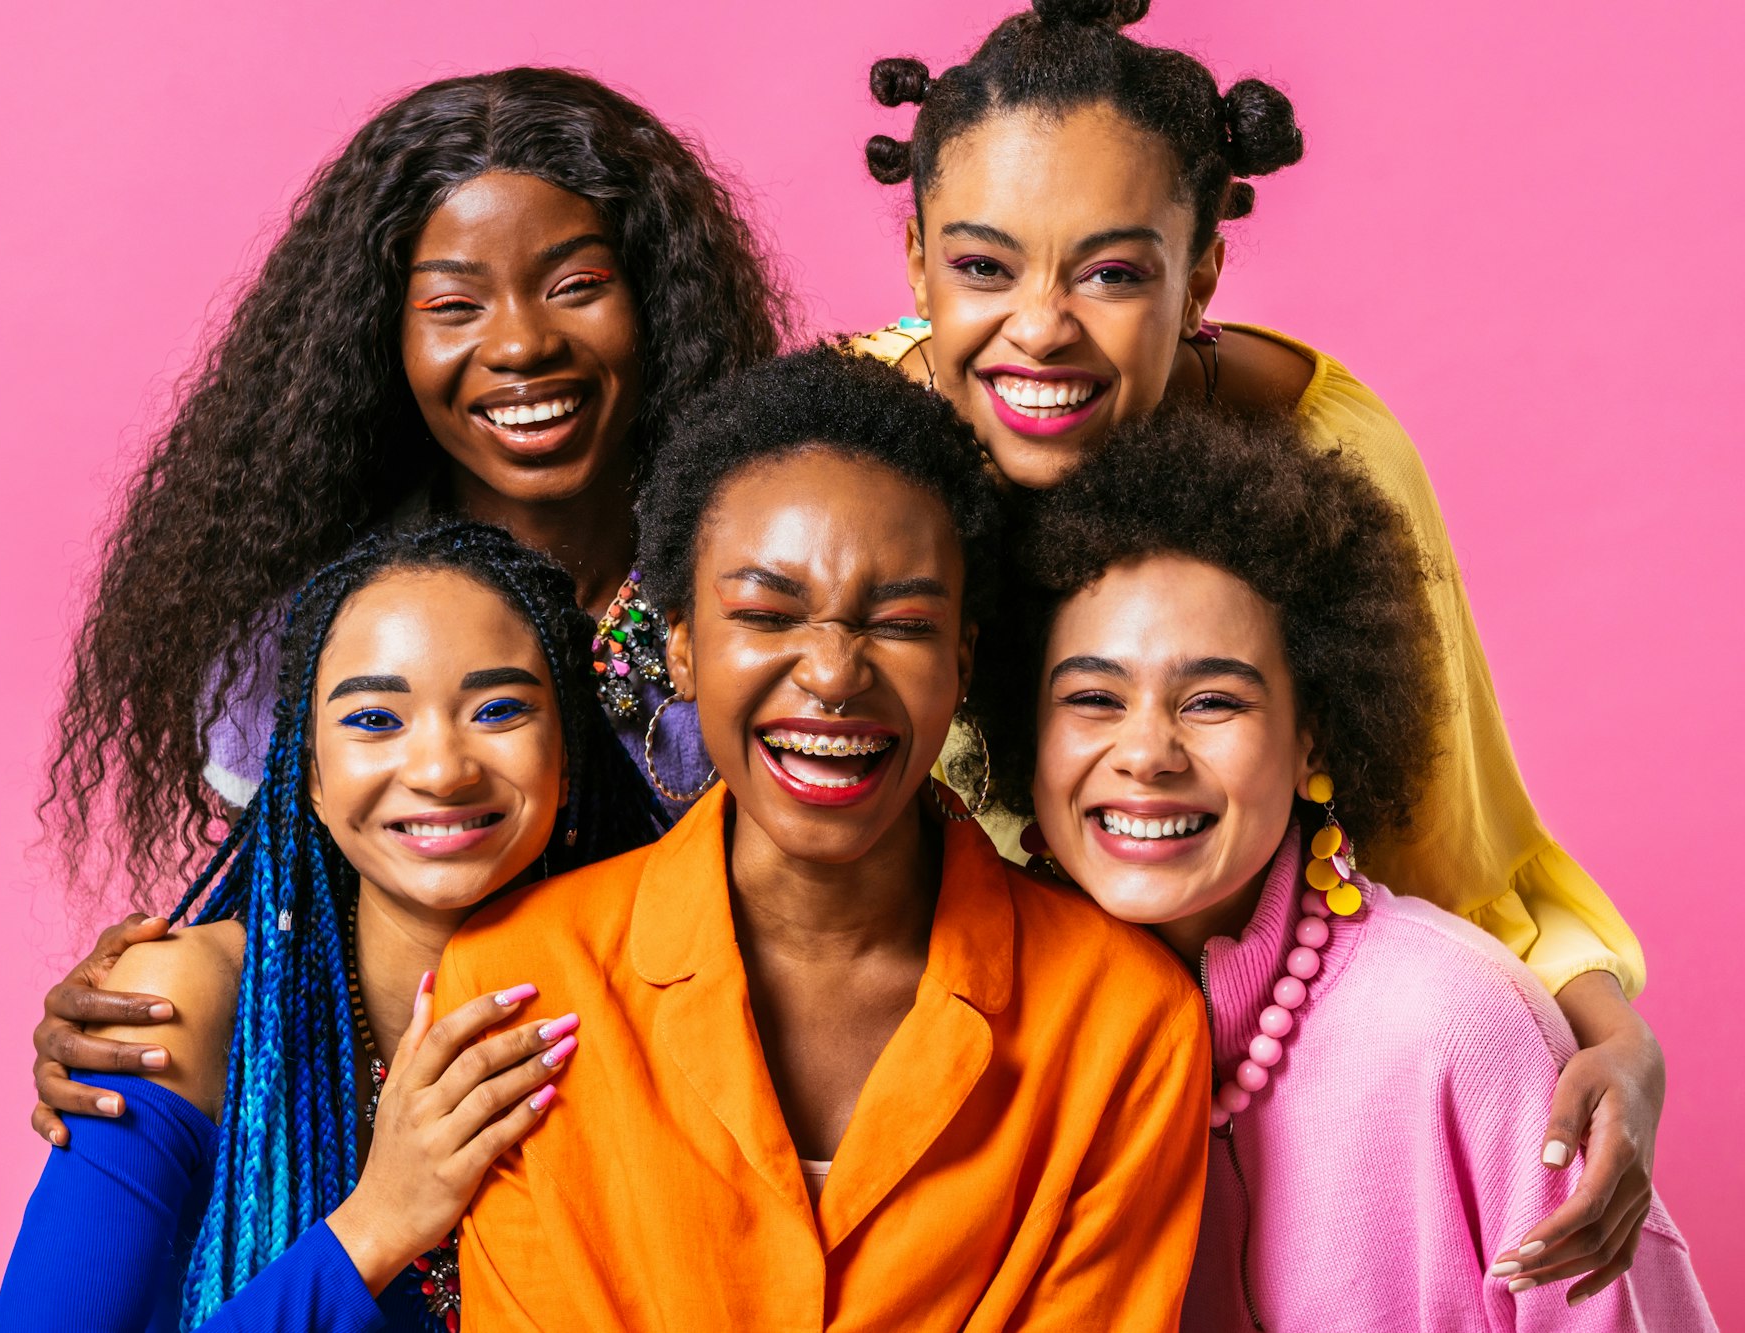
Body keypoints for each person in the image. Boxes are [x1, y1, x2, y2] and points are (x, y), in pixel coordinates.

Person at [854, 0, 1661, 1289]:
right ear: (914, 261)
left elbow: (1454, 849)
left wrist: (1611, 1041)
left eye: (1112, 271)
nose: (1041, 330)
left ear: (1204, 275)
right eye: (982, 266)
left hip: (1279, 1090)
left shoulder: (1328, 457)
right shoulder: (848, 467)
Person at [29, 67, 790, 1145]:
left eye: (575, 285)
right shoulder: (311, 633)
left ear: (657, 300)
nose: (521, 342)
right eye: (453, 305)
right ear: (379, 340)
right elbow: (284, 931)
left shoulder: (771, 599)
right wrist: (142, 1004)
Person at [434, 346, 1210, 1330]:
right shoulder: (517, 988)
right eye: (766, 612)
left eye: (900, 621)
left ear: (960, 659)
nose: (834, 674)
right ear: (678, 642)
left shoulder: (1124, 1024)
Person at [975, 407, 1715, 1329]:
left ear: (1311, 731)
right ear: (1027, 735)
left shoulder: (1463, 1028)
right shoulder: (987, 1030)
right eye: (1092, 697)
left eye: (1211, 699)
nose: (1146, 752)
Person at [0, 521, 657, 1330]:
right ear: (307, 772)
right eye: (375, 720)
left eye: (498, 709)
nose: (442, 769)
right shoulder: (188, 1008)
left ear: (567, 752)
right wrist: (376, 1224)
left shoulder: (659, 989)